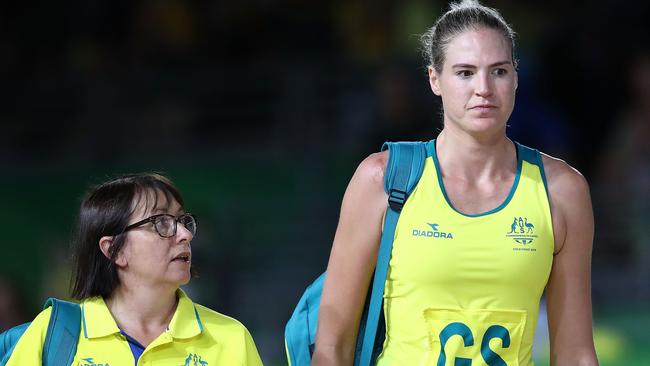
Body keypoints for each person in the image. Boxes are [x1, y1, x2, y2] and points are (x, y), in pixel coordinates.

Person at [312, 1, 598, 365]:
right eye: (465, 72)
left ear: (516, 77)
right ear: (435, 79)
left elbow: (575, 354)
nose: (483, 88)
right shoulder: (383, 180)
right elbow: (331, 346)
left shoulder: (562, 191)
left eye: (498, 71)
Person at [6, 173, 263, 365]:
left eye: (183, 221)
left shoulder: (231, 338)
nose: (185, 234)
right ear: (114, 249)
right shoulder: (53, 332)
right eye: (161, 222)